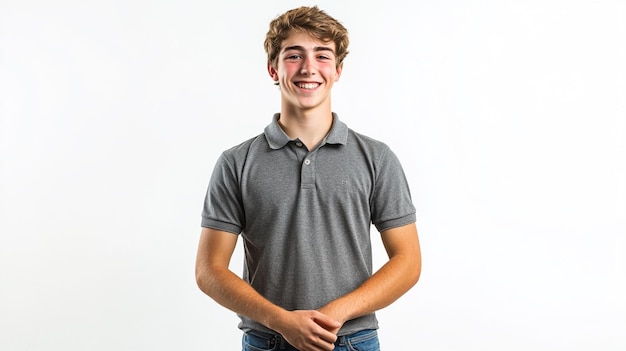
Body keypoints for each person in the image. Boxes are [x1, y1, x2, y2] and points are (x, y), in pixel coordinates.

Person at [195, 6, 421, 351]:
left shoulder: (376, 158)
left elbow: (408, 261)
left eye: (322, 55)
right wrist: (281, 320)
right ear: (273, 68)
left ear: (338, 70)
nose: (309, 68)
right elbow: (209, 270)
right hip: (267, 340)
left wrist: (334, 314)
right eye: (294, 55)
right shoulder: (236, 163)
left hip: (352, 340)